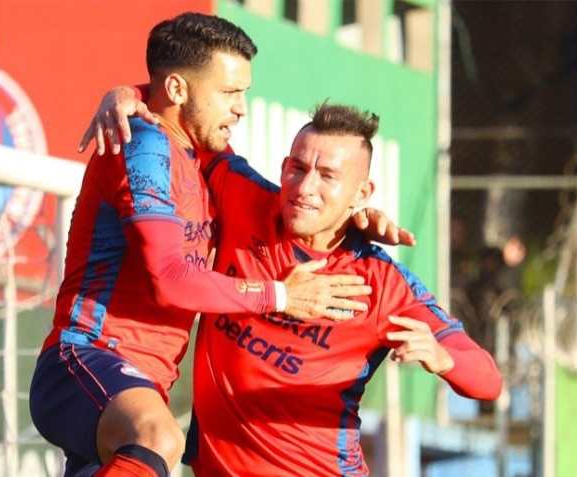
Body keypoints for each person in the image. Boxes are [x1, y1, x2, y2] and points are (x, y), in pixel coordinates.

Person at [29, 13, 404, 477]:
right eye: (229, 93)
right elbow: (171, 280)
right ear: (179, 90)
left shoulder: (201, 155)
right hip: (84, 360)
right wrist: (280, 295)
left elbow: (277, 203)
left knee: (150, 444)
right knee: (158, 438)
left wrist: (352, 215)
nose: (241, 108)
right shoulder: (143, 146)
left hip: (135, 386)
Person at [184, 103, 502, 475]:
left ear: (361, 192)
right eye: (298, 168)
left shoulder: (381, 284)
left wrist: (444, 358)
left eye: (327, 176)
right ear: (283, 167)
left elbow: (488, 381)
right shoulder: (243, 197)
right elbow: (183, 113)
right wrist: (130, 95)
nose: (305, 188)